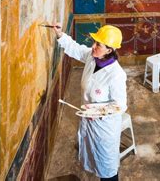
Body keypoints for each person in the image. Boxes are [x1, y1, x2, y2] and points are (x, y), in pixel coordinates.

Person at [52, 24, 127, 181]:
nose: (93, 46)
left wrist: (95, 110)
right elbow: (77, 49)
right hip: (88, 123)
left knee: (107, 168)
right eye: (94, 42)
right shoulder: (92, 58)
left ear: (109, 50)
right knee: (92, 157)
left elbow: (120, 105)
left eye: (98, 44)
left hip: (104, 127)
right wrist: (60, 35)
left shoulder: (116, 75)